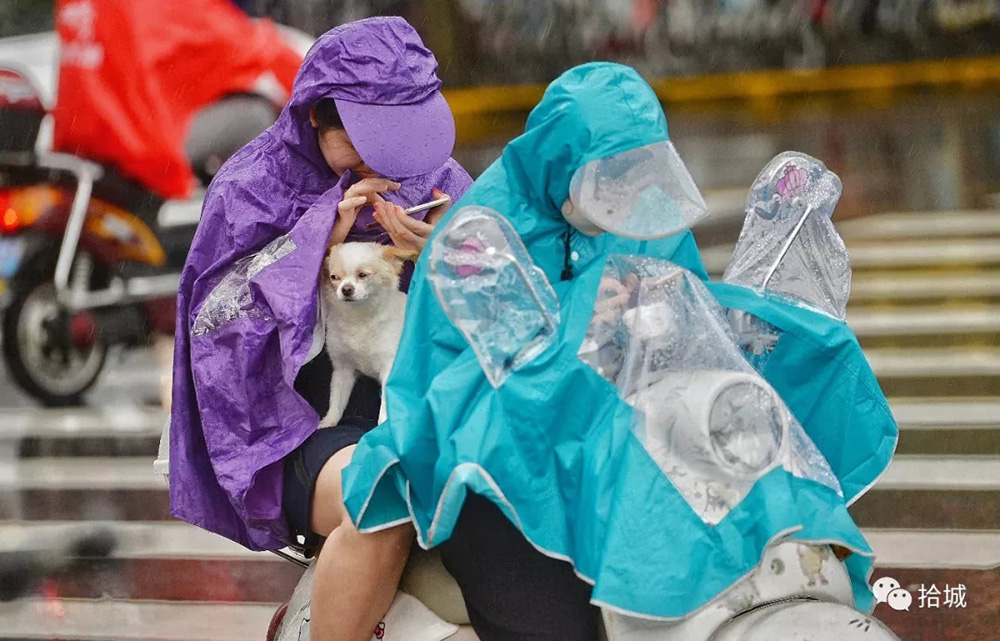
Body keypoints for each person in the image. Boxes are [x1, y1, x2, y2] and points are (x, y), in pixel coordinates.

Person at [341, 63, 881, 638]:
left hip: (624, 453)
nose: (627, 191)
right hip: (498, 467)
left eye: (638, 171)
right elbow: (496, 381)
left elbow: (696, 330)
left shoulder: (646, 215)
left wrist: (766, 328)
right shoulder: (476, 237)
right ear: (560, 160)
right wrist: (590, 317)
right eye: (612, 175)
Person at [168, 17, 472, 641]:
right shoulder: (250, 189)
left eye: (397, 140)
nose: (382, 163)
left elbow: (509, 290)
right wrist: (311, 250)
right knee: (386, 496)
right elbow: (214, 337)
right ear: (315, 116)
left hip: (421, 412)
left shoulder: (427, 176)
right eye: (365, 142)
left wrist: (450, 248)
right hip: (292, 432)